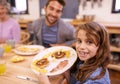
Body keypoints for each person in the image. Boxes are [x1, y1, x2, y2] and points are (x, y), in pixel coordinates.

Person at [38, 22, 111, 84]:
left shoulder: (97, 80)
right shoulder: (83, 61)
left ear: (101, 47)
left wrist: (45, 82)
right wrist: (66, 72)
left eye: (89, 42)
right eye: (79, 41)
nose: (81, 46)